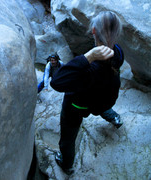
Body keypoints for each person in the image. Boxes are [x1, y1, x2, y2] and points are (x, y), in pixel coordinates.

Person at [50, 11, 124, 175]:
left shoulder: (89, 68)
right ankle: (114, 117)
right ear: (117, 33)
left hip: (77, 106)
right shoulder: (118, 52)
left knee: (68, 137)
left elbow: (56, 82)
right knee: (101, 104)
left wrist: (87, 57)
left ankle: (67, 164)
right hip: (103, 99)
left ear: (93, 31)